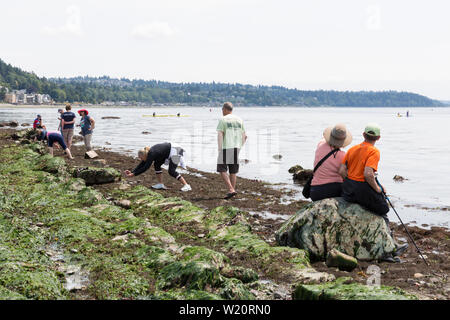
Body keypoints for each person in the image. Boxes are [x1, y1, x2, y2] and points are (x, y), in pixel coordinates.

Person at [338, 123, 408, 260]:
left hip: (348, 189)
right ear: (378, 138)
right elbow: (368, 174)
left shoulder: (352, 149)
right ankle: (390, 248)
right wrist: (378, 189)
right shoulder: (373, 151)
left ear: (364, 135)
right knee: (383, 210)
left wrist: (351, 181)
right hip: (362, 188)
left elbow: (341, 171)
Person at [124, 142, 192, 192]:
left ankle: (186, 185)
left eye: (141, 158)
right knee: (157, 165)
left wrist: (133, 174)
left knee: (171, 171)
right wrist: (132, 172)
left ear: (144, 155)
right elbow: (142, 164)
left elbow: (146, 167)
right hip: (168, 152)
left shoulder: (152, 154)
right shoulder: (148, 154)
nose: (141, 160)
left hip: (176, 150)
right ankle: (160, 184)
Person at [310, 124, 352, 201]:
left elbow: (323, 139)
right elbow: (344, 174)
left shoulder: (320, 145)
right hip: (334, 191)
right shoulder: (343, 156)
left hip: (315, 191)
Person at [216, 102, 247, 199]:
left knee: (222, 169)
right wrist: (240, 147)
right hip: (236, 147)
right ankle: (232, 191)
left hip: (226, 146)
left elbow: (220, 134)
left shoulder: (223, 120)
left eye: (222, 110)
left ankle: (231, 189)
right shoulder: (239, 120)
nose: (222, 111)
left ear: (224, 109)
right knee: (233, 170)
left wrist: (219, 148)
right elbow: (245, 136)